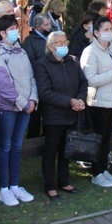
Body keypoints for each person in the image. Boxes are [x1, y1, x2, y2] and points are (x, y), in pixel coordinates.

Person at [0, 15, 38, 204]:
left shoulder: (21, 51)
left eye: (16, 27)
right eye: (12, 28)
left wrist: (32, 99)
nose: (16, 31)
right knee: (6, 146)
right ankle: (4, 188)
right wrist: (23, 103)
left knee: (17, 146)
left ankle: (15, 185)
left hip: (25, 107)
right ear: (2, 33)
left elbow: (31, 77)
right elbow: (3, 83)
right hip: (7, 109)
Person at [35, 31, 87, 199]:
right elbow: (45, 92)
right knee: (51, 151)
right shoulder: (42, 64)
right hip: (54, 115)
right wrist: (68, 101)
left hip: (72, 113)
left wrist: (79, 99)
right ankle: (50, 185)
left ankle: (64, 181)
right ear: (50, 46)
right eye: (58, 43)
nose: (63, 45)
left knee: (67, 150)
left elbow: (83, 82)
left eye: (65, 42)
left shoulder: (72, 61)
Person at [80, 16, 112, 187]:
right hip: (98, 101)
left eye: (111, 29)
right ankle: (96, 172)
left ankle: (104, 169)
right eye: (105, 30)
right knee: (98, 138)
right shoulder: (90, 52)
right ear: (96, 33)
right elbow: (89, 79)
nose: (109, 32)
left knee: (107, 138)